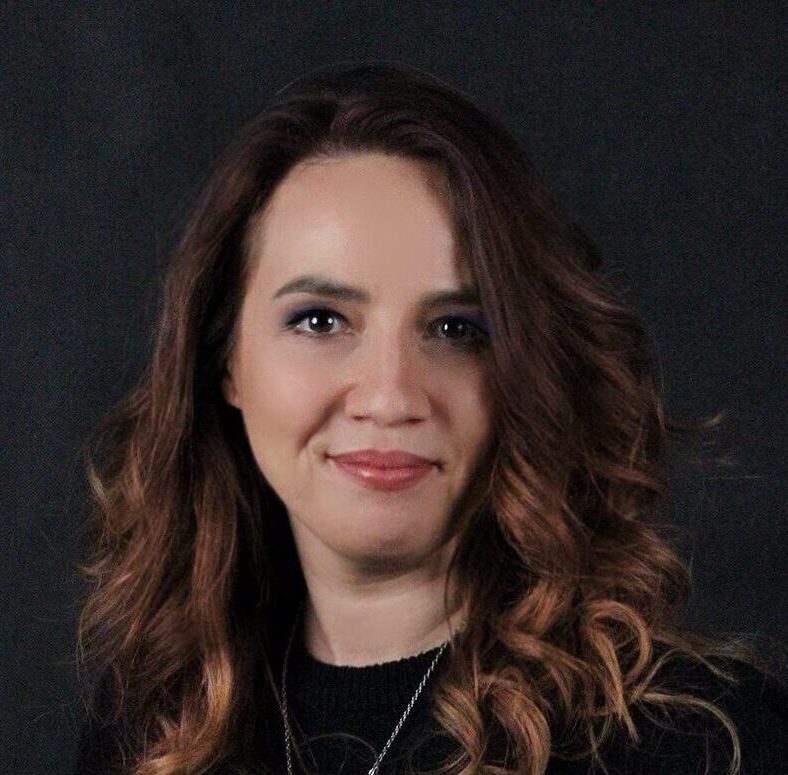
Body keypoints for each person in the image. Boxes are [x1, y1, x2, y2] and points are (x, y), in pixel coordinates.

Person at [73, 61, 788, 775]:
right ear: (224, 358)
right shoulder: (149, 728)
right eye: (321, 320)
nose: (389, 396)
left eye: (456, 329)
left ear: (524, 368)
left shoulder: (700, 740)